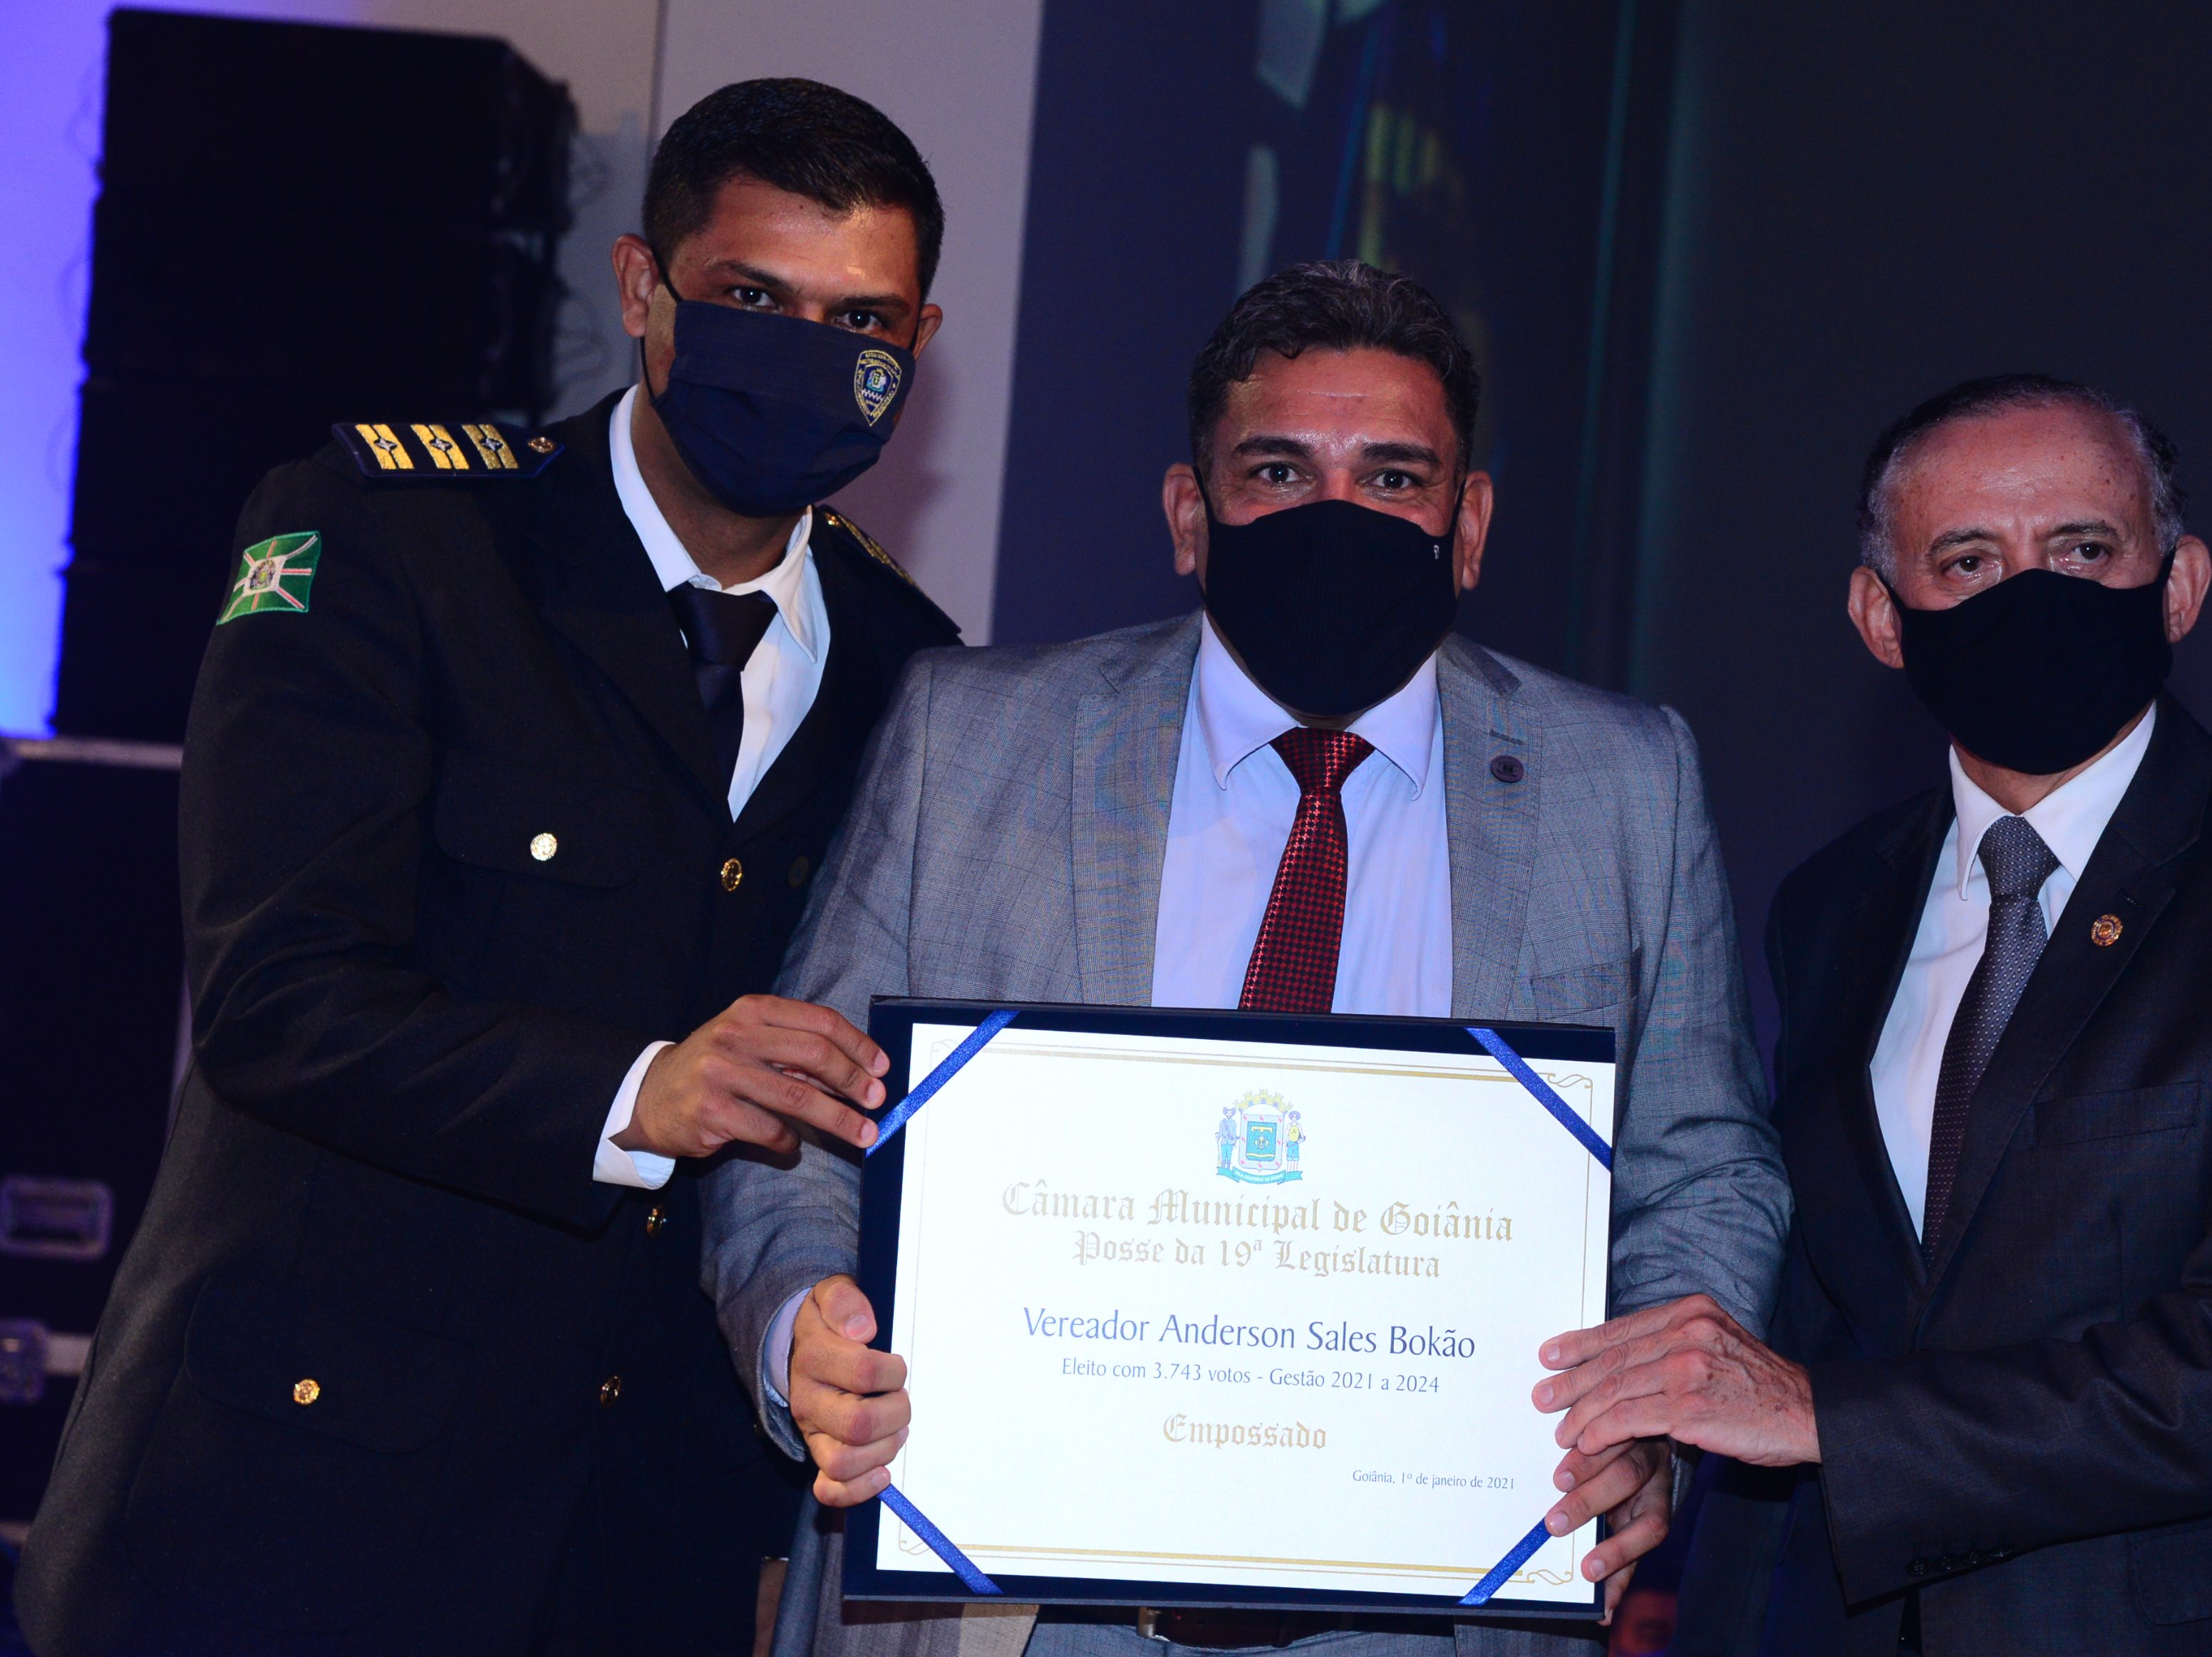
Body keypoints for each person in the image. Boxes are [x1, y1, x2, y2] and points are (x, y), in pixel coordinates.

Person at [702, 260, 1792, 1657]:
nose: (1337, 517)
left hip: (1432, 1614)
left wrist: (1646, 1425)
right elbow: (795, 1115)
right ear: (1188, 513)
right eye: (1278, 472)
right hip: (1007, 1608)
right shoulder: (968, 739)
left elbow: (1701, 1170)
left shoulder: (1623, 782)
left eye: (1392, 478)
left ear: (1468, 526)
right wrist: (802, 1328)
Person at [19, 78, 963, 1656]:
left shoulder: (909, 671)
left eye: (858, 318)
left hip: (637, 1540)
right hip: (295, 1503)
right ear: (641, 289)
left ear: (917, 343)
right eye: (751, 298)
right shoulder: (394, 539)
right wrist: (636, 1091)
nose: (808, 352)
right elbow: (276, 996)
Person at [1534, 376, 2212, 1655]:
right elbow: (1820, 1295)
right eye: (1969, 560)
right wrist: (1656, 1449)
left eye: (2083, 550)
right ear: (1883, 616)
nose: (2031, 597)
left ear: (2181, 585)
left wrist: (1827, 1419)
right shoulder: (1833, 902)